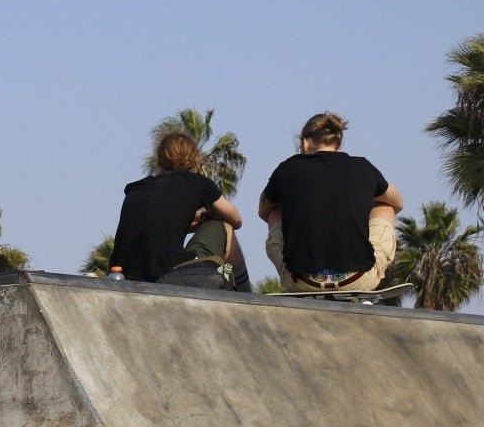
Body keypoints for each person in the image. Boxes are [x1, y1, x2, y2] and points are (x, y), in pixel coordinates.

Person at [257, 113, 404, 294]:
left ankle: (301, 266)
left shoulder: (287, 168)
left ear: (305, 143)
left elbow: (263, 210)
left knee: (275, 211)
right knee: (386, 208)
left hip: (302, 281)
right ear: (338, 145)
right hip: (357, 279)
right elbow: (397, 202)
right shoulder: (362, 167)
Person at [113, 130, 250, 291]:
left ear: (159, 159)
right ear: (194, 159)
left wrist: (191, 220)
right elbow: (236, 219)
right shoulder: (198, 183)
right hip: (168, 274)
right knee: (223, 225)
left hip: (121, 275)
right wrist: (208, 217)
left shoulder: (135, 189)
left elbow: (155, 227)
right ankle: (244, 293)